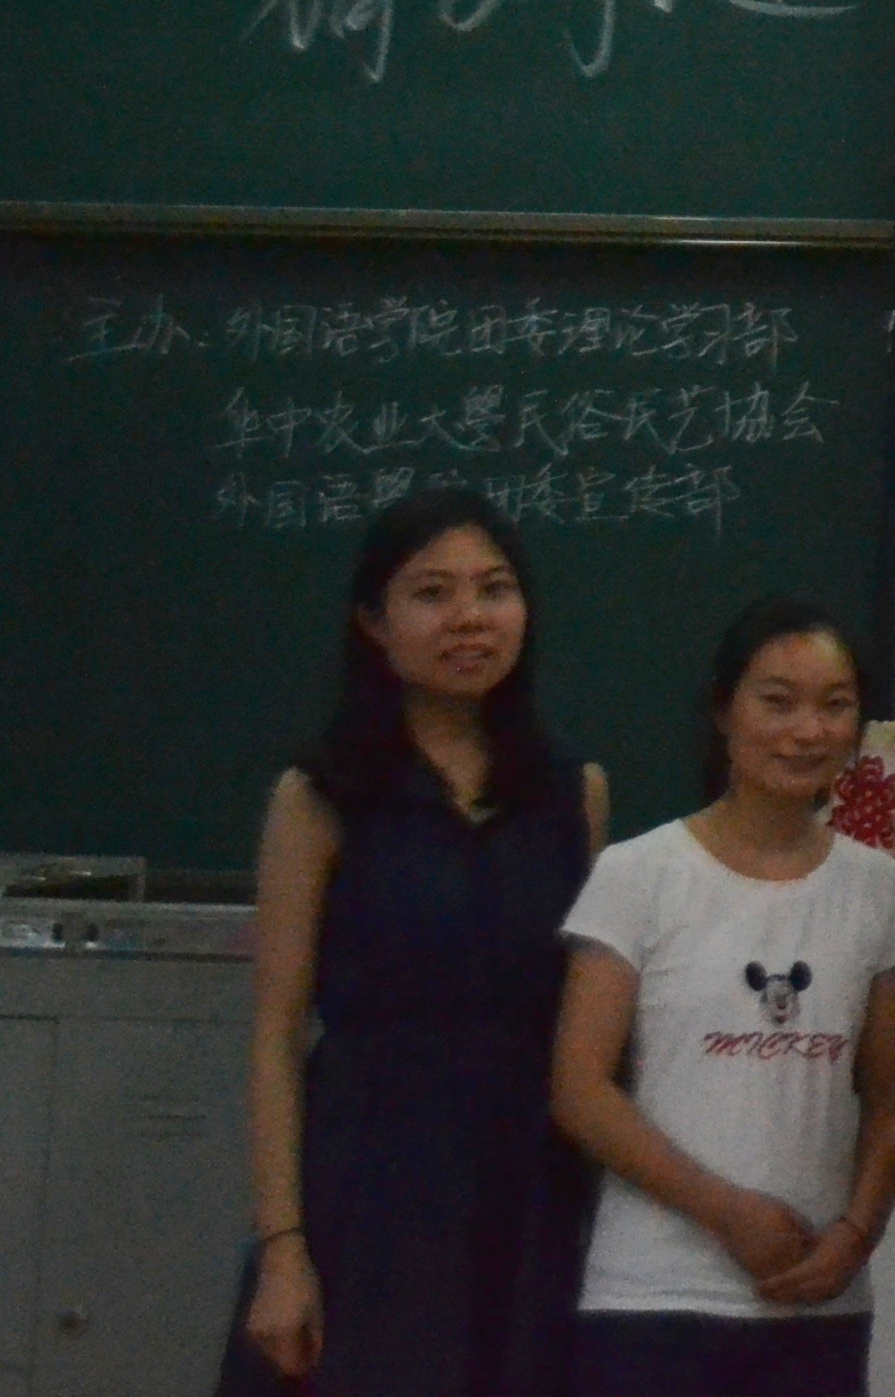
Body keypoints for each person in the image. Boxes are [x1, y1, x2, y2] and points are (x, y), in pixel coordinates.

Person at [228, 485, 605, 1397]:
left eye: (494, 589)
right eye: (432, 593)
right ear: (374, 622)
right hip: (370, 1179)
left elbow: (591, 1024)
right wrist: (284, 1247)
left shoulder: (574, 795)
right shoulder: (318, 798)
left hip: (530, 1185)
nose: (470, 617)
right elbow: (276, 1033)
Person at [549, 599, 895, 1397]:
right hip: (653, 1299)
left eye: (835, 705)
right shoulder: (639, 873)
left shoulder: (879, 888)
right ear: (724, 711)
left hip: (818, 1302)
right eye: (777, 702)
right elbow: (579, 1090)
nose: (807, 731)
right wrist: (726, 1212)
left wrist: (858, 1234)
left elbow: (891, 1091)